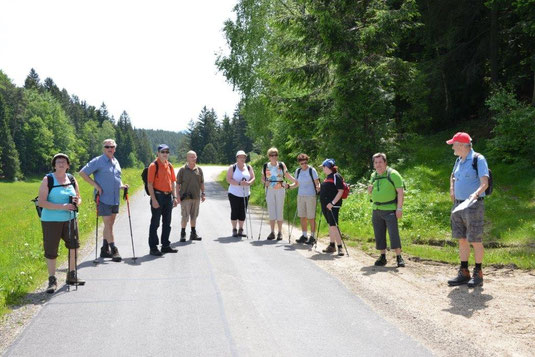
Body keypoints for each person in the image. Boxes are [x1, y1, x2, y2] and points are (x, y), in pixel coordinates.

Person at [446, 132, 489, 288]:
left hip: (473, 205)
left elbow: (485, 182)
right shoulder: (459, 160)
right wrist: (452, 188)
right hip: (457, 204)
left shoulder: (478, 159)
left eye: (454, 145)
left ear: (462, 145)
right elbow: (452, 175)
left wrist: (475, 194)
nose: (453, 148)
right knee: (461, 239)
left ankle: (478, 273)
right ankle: (464, 272)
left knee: (475, 240)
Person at [38, 153, 84, 293]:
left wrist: (77, 202)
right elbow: (41, 202)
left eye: (64, 162)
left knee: (74, 246)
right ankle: (52, 280)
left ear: (68, 165)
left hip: (70, 218)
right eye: (58, 162)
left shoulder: (71, 178)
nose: (61, 164)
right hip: (51, 220)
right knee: (51, 250)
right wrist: (62, 207)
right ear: (54, 165)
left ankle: (71, 275)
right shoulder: (48, 179)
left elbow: (79, 198)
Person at [79, 139, 128, 262]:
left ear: (115, 148)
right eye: (107, 147)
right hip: (103, 198)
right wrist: (96, 186)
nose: (109, 149)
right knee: (108, 225)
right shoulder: (98, 161)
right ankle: (114, 250)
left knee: (110, 224)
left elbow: (117, 177)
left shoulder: (115, 161)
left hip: (115, 198)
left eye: (112, 147)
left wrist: (121, 185)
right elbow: (83, 173)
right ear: (103, 148)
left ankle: (104, 249)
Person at [367, 153, 405, 267]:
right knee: (379, 234)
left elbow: (400, 192)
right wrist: (369, 190)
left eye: (380, 162)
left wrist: (399, 208)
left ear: (385, 163)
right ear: (373, 164)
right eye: (376, 162)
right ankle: (382, 257)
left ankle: (399, 257)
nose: (378, 165)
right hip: (376, 208)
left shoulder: (393, 174)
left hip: (390, 209)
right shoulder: (373, 175)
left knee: (393, 234)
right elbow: (370, 192)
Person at [147, 144, 178, 256]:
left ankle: (165, 245)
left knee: (167, 223)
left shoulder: (169, 165)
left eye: (167, 152)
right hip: (158, 196)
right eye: (162, 152)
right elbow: (150, 184)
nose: (165, 154)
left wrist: (174, 197)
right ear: (158, 153)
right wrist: (154, 200)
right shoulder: (153, 166)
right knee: (155, 223)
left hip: (168, 196)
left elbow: (173, 182)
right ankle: (153, 247)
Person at [261, 147, 296, 240]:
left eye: (276, 155)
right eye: (272, 155)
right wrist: (265, 183)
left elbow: (287, 175)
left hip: (280, 188)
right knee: (271, 210)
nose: (274, 157)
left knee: (279, 210)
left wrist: (296, 181)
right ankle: (272, 232)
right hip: (270, 189)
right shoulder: (265, 166)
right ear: (269, 156)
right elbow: (262, 178)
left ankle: (280, 232)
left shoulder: (281, 165)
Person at [226, 150, 256, 237]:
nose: (242, 158)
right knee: (235, 211)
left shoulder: (249, 167)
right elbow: (228, 179)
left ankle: (241, 230)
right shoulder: (233, 167)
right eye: (240, 157)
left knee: (243, 212)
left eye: (244, 157)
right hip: (234, 193)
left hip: (246, 193)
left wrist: (249, 183)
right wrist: (239, 183)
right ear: (237, 158)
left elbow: (253, 177)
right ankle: (234, 229)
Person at [177, 151, 205, 241]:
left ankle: (193, 233)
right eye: (191, 157)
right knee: (185, 216)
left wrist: (203, 193)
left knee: (194, 216)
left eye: (195, 156)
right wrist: (177, 196)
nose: (194, 158)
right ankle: (182, 234)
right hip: (185, 198)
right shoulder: (182, 170)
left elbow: (202, 183)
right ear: (187, 158)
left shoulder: (199, 170)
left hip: (196, 197)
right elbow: (177, 184)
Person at [319, 159, 345, 256]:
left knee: (334, 225)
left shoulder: (336, 176)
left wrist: (332, 203)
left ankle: (340, 247)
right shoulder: (328, 177)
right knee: (331, 225)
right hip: (327, 205)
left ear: (328, 167)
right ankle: (331, 246)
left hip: (333, 205)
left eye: (323, 167)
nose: (323, 169)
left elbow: (340, 191)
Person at [293, 153, 320, 245]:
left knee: (311, 217)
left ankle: (312, 237)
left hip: (311, 196)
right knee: (302, 216)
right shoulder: (298, 171)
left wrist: (318, 187)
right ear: (299, 163)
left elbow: (317, 183)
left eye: (305, 163)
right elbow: (296, 184)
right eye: (302, 163)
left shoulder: (312, 170)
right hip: (300, 196)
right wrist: (288, 186)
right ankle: (304, 236)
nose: (304, 165)